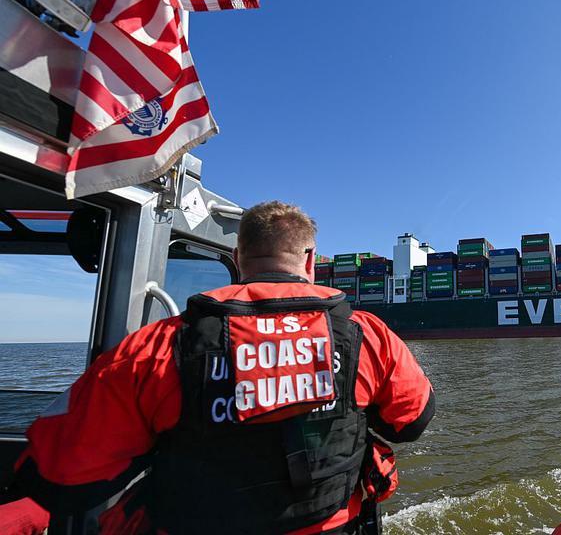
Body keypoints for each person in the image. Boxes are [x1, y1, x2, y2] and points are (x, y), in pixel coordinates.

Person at [4, 201, 435, 534]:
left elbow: (62, 474)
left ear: (238, 254)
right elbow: (411, 422)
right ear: (310, 259)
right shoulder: (366, 334)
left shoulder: (159, 344)